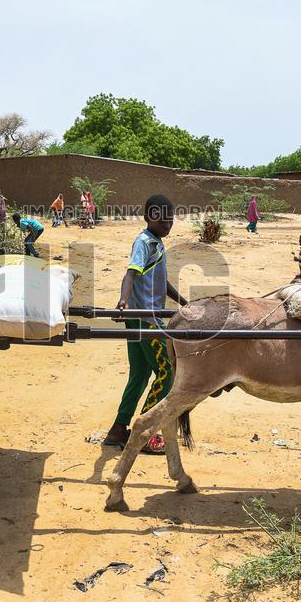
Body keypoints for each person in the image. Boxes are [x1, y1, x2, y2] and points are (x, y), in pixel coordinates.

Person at [103, 194, 188, 454]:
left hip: (141, 319)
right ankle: (144, 433)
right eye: (162, 219)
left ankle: (118, 429)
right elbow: (131, 273)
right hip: (145, 320)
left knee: (139, 375)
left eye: (171, 219)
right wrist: (123, 301)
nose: (167, 224)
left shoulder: (157, 244)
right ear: (149, 217)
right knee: (166, 373)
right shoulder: (144, 242)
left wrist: (184, 301)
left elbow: (162, 283)